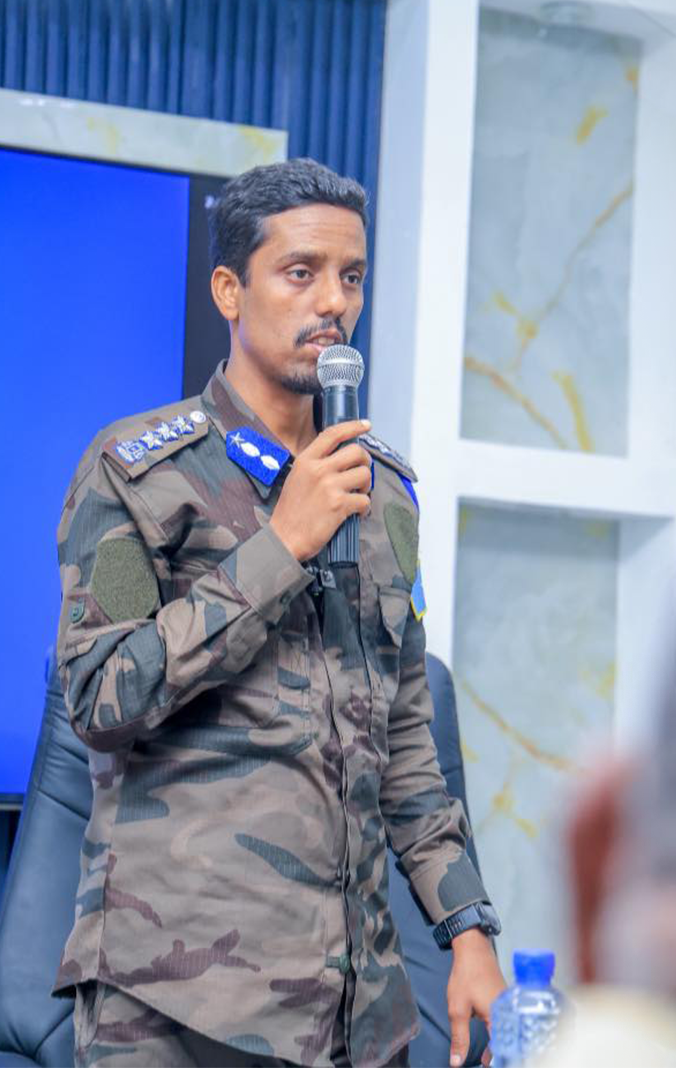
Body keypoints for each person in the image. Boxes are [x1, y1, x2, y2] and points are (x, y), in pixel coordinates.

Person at [50, 160, 502, 1067]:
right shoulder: (136, 472)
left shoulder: (384, 493)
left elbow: (407, 739)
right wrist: (280, 546)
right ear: (230, 290)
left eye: (352, 276)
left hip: (361, 1014)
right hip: (179, 1004)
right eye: (301, 272)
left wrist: (467, 930)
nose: (333, 302)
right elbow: (99, 700)